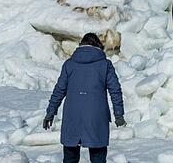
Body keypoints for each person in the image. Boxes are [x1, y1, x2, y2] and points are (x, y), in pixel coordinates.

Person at [44, 33, 125, 163]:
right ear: (98, 45)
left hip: (72, 116)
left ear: (81, 45)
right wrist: (119, 114)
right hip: (96, 117)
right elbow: (115, 91)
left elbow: (59, 90)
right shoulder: (105, 65)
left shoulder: (69, 65)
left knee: (70, 157)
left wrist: (50, 112)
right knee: (98, 156)